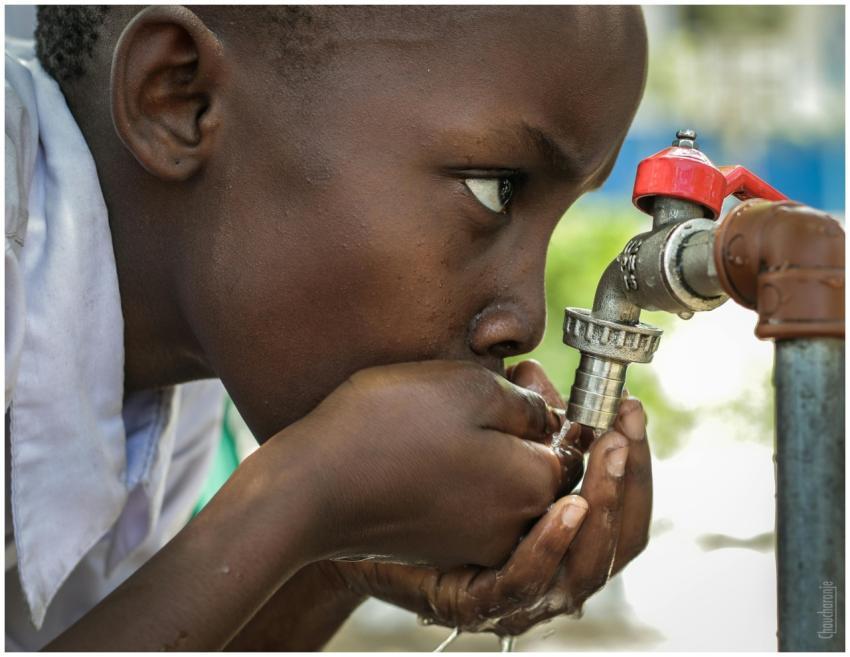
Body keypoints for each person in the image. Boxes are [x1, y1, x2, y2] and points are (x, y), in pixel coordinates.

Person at [6, 6, 653, 650]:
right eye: (494, 189)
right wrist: (299, 498)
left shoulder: (180, 364)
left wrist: (335, 558)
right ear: (180, 98)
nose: (526, 322)